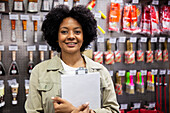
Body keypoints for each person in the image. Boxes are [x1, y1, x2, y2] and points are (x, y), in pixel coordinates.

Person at [25, 4, 120, 113]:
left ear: (85, 36)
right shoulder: (40, 71)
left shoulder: (101, 71)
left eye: (77, 32)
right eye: (64, 31)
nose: (71, 36)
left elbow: (113, 110)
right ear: (56, 36)